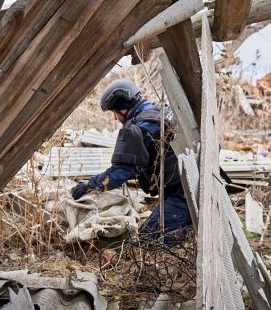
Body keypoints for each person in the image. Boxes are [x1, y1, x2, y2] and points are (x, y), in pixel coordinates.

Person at [71, 79, 192, 242]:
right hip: (191, 183)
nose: (115, 118)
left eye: (115, 112)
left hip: (183, 193)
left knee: (149, 240)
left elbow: (120, 173)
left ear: (124, 107)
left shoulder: (139, 128)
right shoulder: (161, 110)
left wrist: (89, 186)